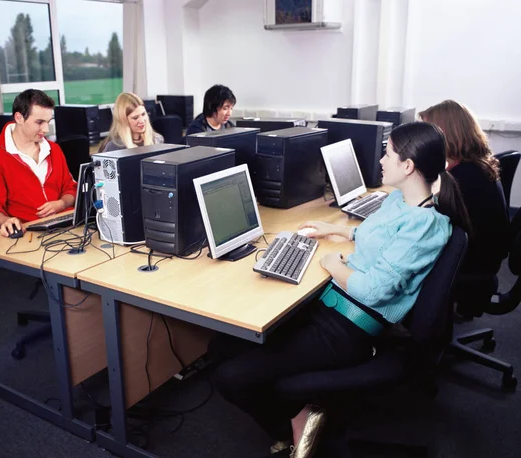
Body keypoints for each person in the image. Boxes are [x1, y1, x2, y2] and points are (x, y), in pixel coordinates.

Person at [211, 122, 470, 458]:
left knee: (230, 377)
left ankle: (298, 423)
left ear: (407, 166)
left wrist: (334, 264)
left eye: (387, 153)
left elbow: (374, 289)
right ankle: (298, 413)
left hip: (348, 330)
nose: (380, 160)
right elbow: (376, 237)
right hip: (328, 307)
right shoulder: (399, 201)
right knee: (221, 345)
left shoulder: (427, 226)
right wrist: (335, 230)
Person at [419, 100, 509, 318]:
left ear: (446, 134)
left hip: (470, 263)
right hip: (484, 257)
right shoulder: (474, 165)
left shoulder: (463, 178)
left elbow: (427, 224)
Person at [0, 89, 77, 237]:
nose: (46, 129)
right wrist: (6, 221)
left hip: (66, 225)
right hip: (28, 232)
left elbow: (71, 188)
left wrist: (61, 204)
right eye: (39, 122)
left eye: (48, 122)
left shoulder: (54, 149)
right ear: (19, 118)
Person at [98, 92, 163, 152]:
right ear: (123, 120)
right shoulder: (113, 147)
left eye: (143, 114)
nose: (142, 120)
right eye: (135, 118)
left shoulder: (156, 140)